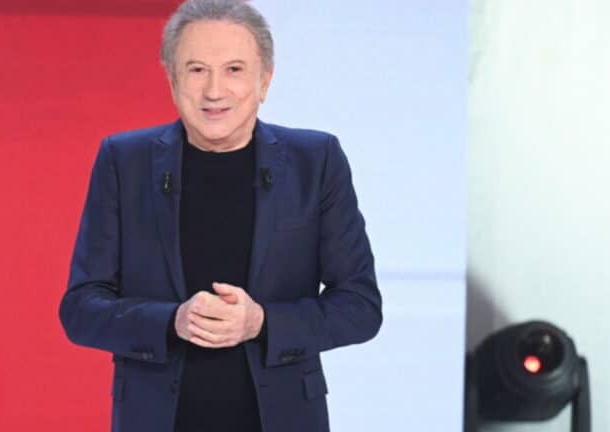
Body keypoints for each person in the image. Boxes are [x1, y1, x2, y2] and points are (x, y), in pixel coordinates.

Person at [58, 1, 383, 431]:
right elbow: (81, 309)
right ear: (172, 79)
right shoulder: (124, 161)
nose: (214, 91)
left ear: (264, 80)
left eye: (234, 69)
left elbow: (359, 307)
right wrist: (171, 321)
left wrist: (261, 322)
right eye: (196, 70)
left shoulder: (316, 161)